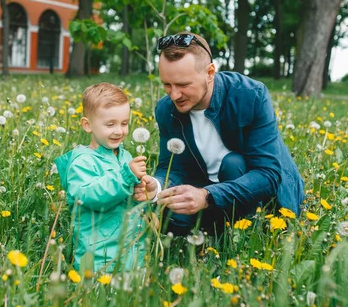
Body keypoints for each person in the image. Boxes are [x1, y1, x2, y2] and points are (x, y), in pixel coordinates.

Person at [135, 32, 304, 236]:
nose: (174, 94)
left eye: (183, 85)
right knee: (165, 220)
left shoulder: (250, 95)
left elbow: (267, 175)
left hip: (254, 194)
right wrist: (157, 185)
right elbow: (172, 166)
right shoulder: (166, 109)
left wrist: (207, 196)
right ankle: (212, 233)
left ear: (210, 72)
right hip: (203, 192)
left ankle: (245, 236)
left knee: (232, 163)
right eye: (167, 85)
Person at [55, 83, 150, 272]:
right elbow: (89, 195)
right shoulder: (82, 162)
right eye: (110, 124)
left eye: (124, 123)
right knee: (97, 298)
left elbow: (130, 196)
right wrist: (126, 178)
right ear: (87, 125)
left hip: (132, 251)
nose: (119, 131)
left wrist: (143, 198)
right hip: (98, 256)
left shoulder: (125, 156)